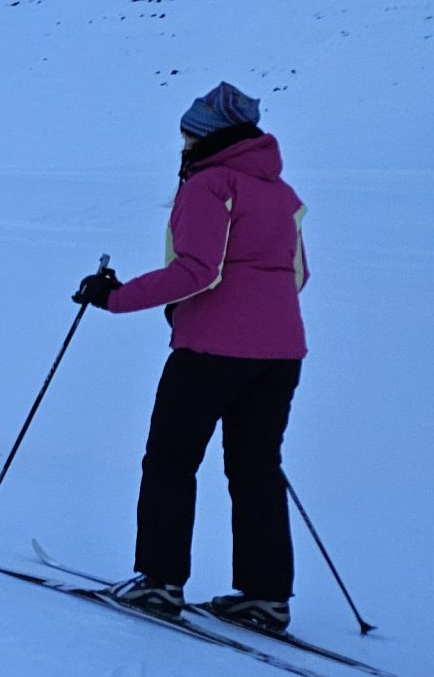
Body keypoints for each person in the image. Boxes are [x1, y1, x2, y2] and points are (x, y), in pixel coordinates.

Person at [70, 83, 307, 631]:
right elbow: (299, 276)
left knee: (172, 458)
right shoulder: (283, 194)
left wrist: (114, 297)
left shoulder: (210, 183)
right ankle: (265, 595)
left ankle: (159, 581)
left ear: (205, 136)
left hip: (212, 349)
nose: (182, 141)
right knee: (256, 469)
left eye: (188, 132)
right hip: (281, 352)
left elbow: (197, 270)